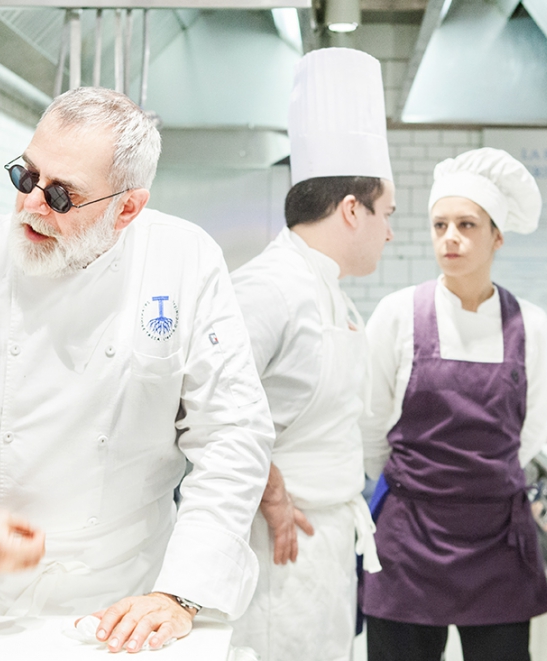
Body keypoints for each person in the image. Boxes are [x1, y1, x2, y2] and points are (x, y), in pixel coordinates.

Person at [0, 86, 274, 653]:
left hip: (123, 602)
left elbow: (232, 434)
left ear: (128, 208)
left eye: (63, 196)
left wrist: (181, 593)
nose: (32, 206)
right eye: (26, 178)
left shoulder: (183, 261)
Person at [229, 48, 393, 661]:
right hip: (276, 547)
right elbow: (200, 406)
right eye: (388, 213)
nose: (390, 232)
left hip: (323, 542)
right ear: (353, 209)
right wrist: (270, 488)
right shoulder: (270, 288)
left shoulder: (329, 291)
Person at [360, 147, 547, 661]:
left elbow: (530, 433)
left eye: (467, 225)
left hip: (496, 543)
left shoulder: (530, 324)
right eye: (440, 224)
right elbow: (370, 424)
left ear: (497, 236)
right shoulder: (398, 314)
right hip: (409, 540)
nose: (451, 237)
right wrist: (423, 486)